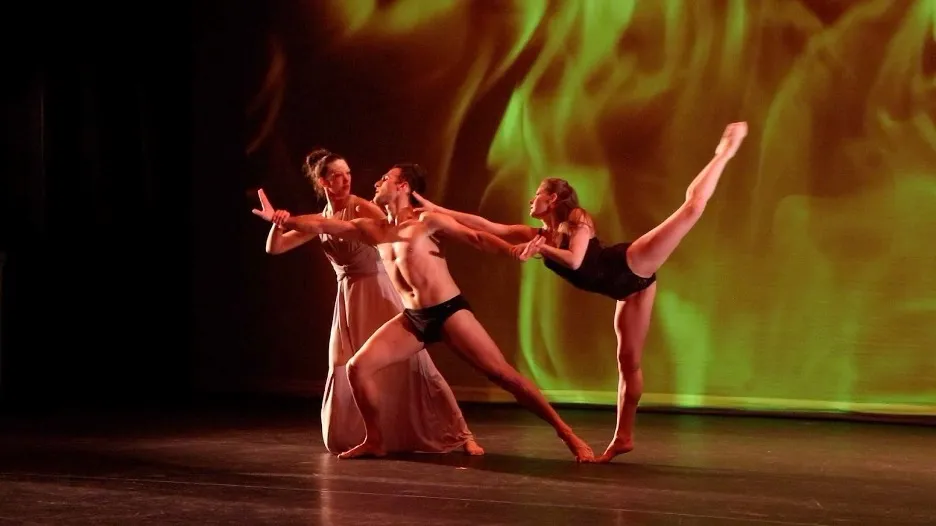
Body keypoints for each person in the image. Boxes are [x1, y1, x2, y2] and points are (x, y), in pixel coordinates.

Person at [412, 122, 749, 463]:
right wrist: (434, 208)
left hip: (630, 266)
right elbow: (484, 225)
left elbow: (574, 261)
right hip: (627, 292)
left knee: (690, 209)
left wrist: (541, 250)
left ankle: (725, 152)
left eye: (537, 193)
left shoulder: (577, 218)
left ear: (553, 198)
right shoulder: (537, 234)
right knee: (628, 362)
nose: (531, 198)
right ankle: (623, 438)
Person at [252, 162, 595, 462]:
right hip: (414, 318)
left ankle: (567, 433)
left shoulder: (426, 221)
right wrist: (284, 219)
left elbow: (476, 237)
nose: (376, 183)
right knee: (357, 367)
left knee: (503, 375)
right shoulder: (373, 229)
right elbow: (324, 225)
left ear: (402, 187)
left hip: (447, 311)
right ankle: (375, 440)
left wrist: (511, 251)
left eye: (385, 178)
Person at [263, 149, 482, 456]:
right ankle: (363, 434)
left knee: (414, 363)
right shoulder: (324, 217)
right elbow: (275, 247)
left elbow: (397, 229)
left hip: (378, 289)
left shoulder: (362, 209)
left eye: (348, 173)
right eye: (338, 175)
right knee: (348, 365)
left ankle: (462, 433)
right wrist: (279, 221)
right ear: (324, 182)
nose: (346, 180)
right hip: (349, 298)